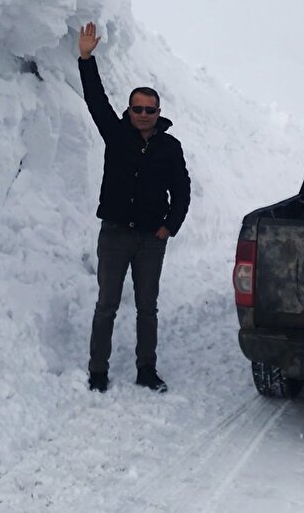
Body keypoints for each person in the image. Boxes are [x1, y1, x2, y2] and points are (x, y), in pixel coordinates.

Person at [77, 21, 191, 393]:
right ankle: (98, 370)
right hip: (113, 234)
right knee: (106, 305)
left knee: (147, 308)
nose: (143, 114)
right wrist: (86, 58)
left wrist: (168, 227)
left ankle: (146, 369)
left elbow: (183, 191)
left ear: (159, 112)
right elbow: (95, 99)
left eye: (150, 109)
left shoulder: (170, 148)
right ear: (128, 110)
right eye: (138, 108)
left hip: (150, 240)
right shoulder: (115, 133)